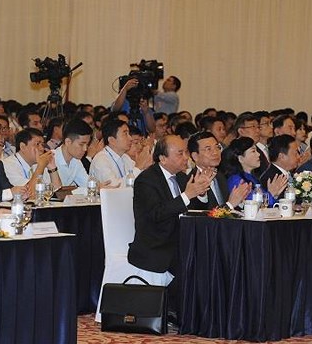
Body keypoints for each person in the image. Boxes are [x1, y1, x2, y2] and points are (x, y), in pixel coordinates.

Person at [128, 135, 212, 280]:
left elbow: (195, 210)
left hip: (181, 243)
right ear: (163, 158)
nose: (186, 157)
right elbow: (156, 214)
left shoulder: (181, 177)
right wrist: (187, 195)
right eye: (180, 153)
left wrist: (201, 193)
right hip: (158, 246)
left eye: (186, 152)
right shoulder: (146, 180)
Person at [186, 131, 250, 210]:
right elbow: (204, 214)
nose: (215, 152)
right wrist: (230, 204)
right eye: (208, 149)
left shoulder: (220, 176)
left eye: (217, 147)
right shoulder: (190, 182)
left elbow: (228, 207)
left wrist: (240, 200)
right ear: (195, 156)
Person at [220, 136, 284, 206]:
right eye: (253, 151)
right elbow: (252, 204)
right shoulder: (236, 180)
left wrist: (274, 195)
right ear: (241, 158)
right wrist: (271, 194)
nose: (258, 154)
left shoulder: (252, 178)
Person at [90, 119, 152, 188]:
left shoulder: (125, 157)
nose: (130, 138)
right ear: (112, 140)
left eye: (129, 134)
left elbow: (140, 179)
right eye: (125, 134)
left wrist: (146, 168)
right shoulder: (101, 160)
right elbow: (114, 187)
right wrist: (139, 167)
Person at [2, 127, 62, 197]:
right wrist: (41, 166)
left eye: (42, 144)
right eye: (37, 144)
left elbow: (58, 193)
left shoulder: (37, 163)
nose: (42, 148)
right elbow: (30, 194)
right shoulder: (8, 165)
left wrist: (52, 168)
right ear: (23, 147)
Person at [53, 118, 94, 190]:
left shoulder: (75, 160)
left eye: (87, 145)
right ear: (68, 142)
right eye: (81, 144)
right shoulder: (50, 160)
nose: (85, 149)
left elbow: (87, 184)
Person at [259, 134, 300, 200]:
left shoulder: (288, 174)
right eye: (295, 153)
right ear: (282, 156)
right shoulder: (272, 179)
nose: (298, 156)